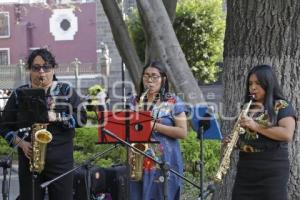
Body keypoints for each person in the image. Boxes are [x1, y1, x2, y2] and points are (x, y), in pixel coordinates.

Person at [0, 48, 87, 200]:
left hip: (61, 161)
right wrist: (21, 143)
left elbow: (82, 118)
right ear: (29, 70)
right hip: (29, 160)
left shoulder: (66, 90)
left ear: (53, 69)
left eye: (46, 67)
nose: (41, 72)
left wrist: (58, 116)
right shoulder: (19, 94)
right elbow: (3, 126)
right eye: (36, 68)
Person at [231, 65, 296, 200]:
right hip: (246, 169)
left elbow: (287, 134)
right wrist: (234, 142)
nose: (252, 87)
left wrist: (255, 125)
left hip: (272, 170)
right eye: (250, 83)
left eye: (257, 83)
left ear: (268, 83)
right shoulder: (246, 108)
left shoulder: (281, 105)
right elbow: (247, 137)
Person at [129, 61, 188, 200]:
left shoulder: (173, 101)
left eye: (154, 76)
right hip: (139, 161)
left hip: (165, 161)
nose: (149, 80)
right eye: (146, 76)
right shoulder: (134, 101)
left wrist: (154, 126)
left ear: (163, 79)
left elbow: (183, 132)